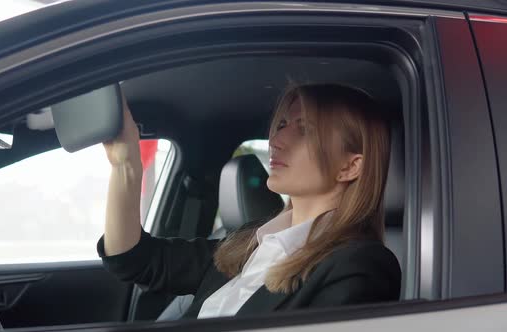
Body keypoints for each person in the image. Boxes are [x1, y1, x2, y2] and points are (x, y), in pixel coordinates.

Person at [96, 83, 401, 320]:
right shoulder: (250, 241)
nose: (277, 140)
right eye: (281, 124)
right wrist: (126, 165)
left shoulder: (361, 266)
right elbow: (134, 259)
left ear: (350, 166)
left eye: (305, 130)